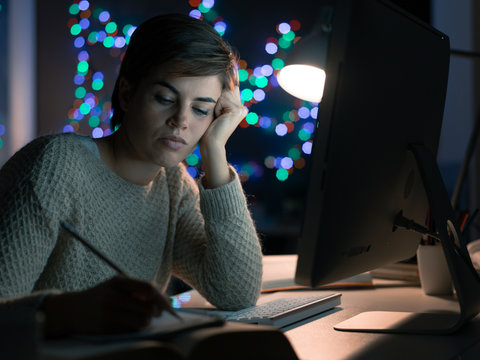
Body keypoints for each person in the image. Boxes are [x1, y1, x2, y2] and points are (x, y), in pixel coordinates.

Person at [0, 13, 263, 338]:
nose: (180, 120)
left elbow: (236, 292)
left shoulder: (174, 184)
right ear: (127, 94)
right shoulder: (56, 165)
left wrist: (214, 151)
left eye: (200, 109)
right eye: (165, 99)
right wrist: (67, 311)